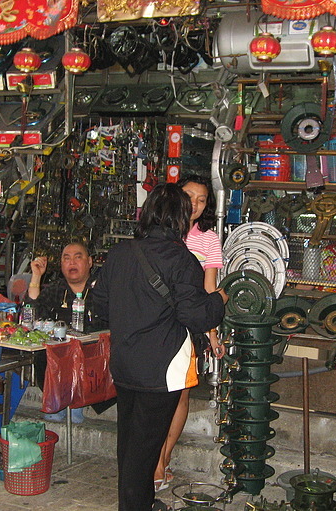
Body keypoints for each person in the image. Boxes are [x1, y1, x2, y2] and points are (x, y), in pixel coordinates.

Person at [93, 183, 227, 511]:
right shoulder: (180, 259)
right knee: (146, 446)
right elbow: (195, 316)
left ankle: (141, 502)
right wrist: (219, 299)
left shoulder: (121, 252)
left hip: (124, 363)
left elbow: (98, 305)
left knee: (129, 441)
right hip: (161, 369)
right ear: (179, 218)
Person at [154, 174, 224, 491]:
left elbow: (209, 291)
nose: (194, 204)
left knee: (180, 393)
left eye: (201, 200)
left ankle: (161, 460)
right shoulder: (158, 233)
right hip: (154, 325)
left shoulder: (208, 239)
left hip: (186, 328)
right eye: (189, 196)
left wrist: (212, 334)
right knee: (155, 396)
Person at [25, 240, 106, 423]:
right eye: (66, 258)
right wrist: (36, 277)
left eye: (78, 257)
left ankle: (77, 402)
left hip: (91, 364)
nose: (72, 263)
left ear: (90, 262)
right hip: (58, 364)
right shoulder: (56, 289)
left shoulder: (102, 289)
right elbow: (30, 316)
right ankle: (57, 402)